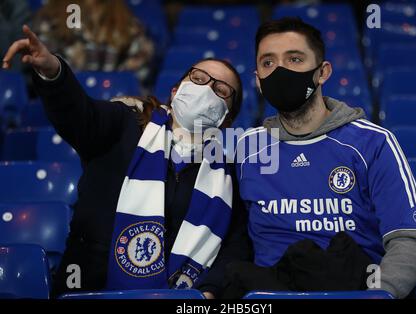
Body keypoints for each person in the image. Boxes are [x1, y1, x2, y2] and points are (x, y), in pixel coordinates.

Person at [2, 25, 251, 298]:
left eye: (221, 89)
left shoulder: (228, 177)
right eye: (199, 78)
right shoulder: (125, 122)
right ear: (176, 90)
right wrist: (53, 72)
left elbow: (234, 247)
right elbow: (80, 116)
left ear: (227, 118)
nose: (206, 89)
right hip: (92, 288)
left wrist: (207, 292)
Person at [233, 17, 416, 299]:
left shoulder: (373, 142)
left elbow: (408, 240)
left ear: (322, 72)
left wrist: (377, 295)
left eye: (295, 59)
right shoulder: (245, 148)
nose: (280, 71)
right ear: (258, 81)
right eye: (268, 63)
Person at [32, 0, 155, 86]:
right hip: (67, 106)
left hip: (114, 107)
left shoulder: (127, 22)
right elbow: (46, 72)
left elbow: (139, 70)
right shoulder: (51, 21)